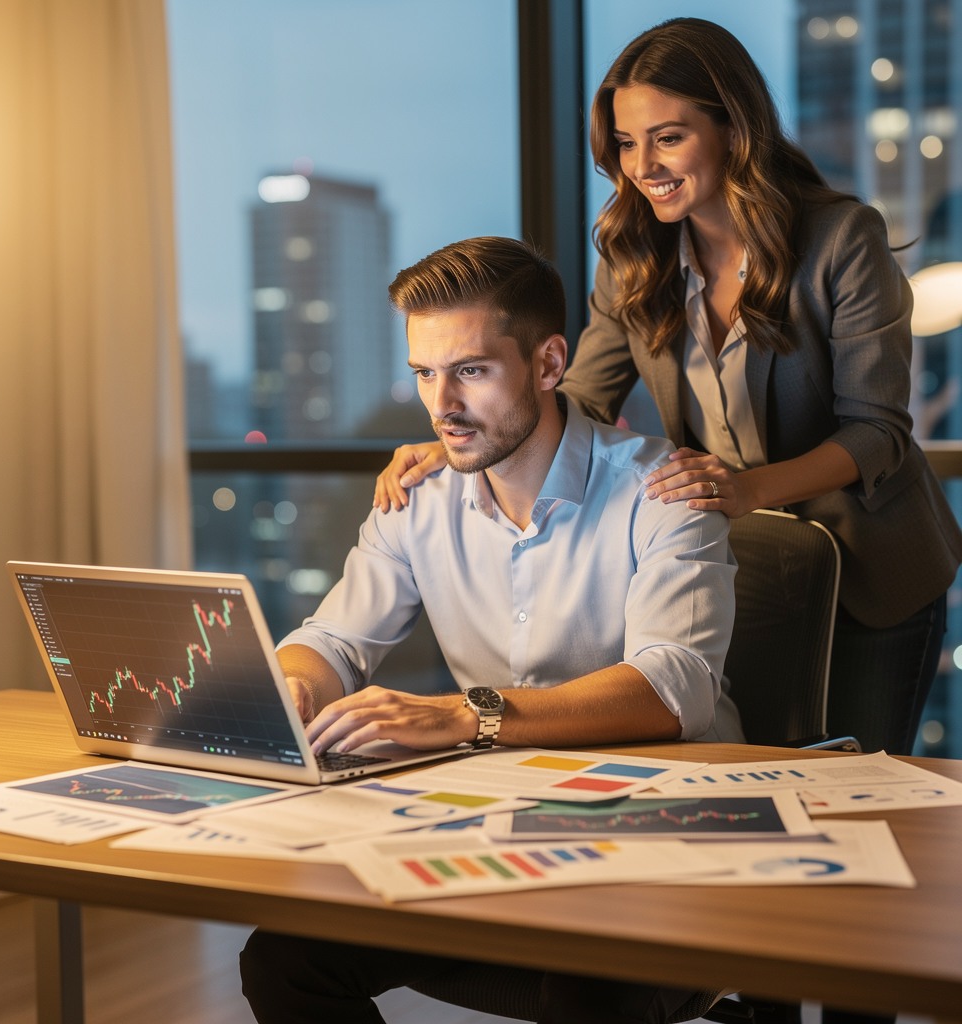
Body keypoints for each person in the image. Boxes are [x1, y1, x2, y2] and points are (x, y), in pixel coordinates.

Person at [374, 16, 962, 761]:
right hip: (745, 558)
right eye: (625, 142)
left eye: (668, 136)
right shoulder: (632, 256)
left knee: (867, 786)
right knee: (762, 775)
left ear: (733, 129)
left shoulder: (841, 240)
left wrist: (749, 488)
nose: (642, 163)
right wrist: (463, 434)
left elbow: (879, 432)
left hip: (874, 564)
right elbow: (578, 394)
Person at [240, 235, 742, 1024]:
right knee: (284, 959)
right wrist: (297, 685)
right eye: (424, 373)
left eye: (470, 370)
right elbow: (334, 639)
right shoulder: (418, 499)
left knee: (593, 985)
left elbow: (674, 687)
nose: (442, 404)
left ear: (548, 365)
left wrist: (464, 714)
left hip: (650, 844)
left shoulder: (662, 489)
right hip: (496, 837)